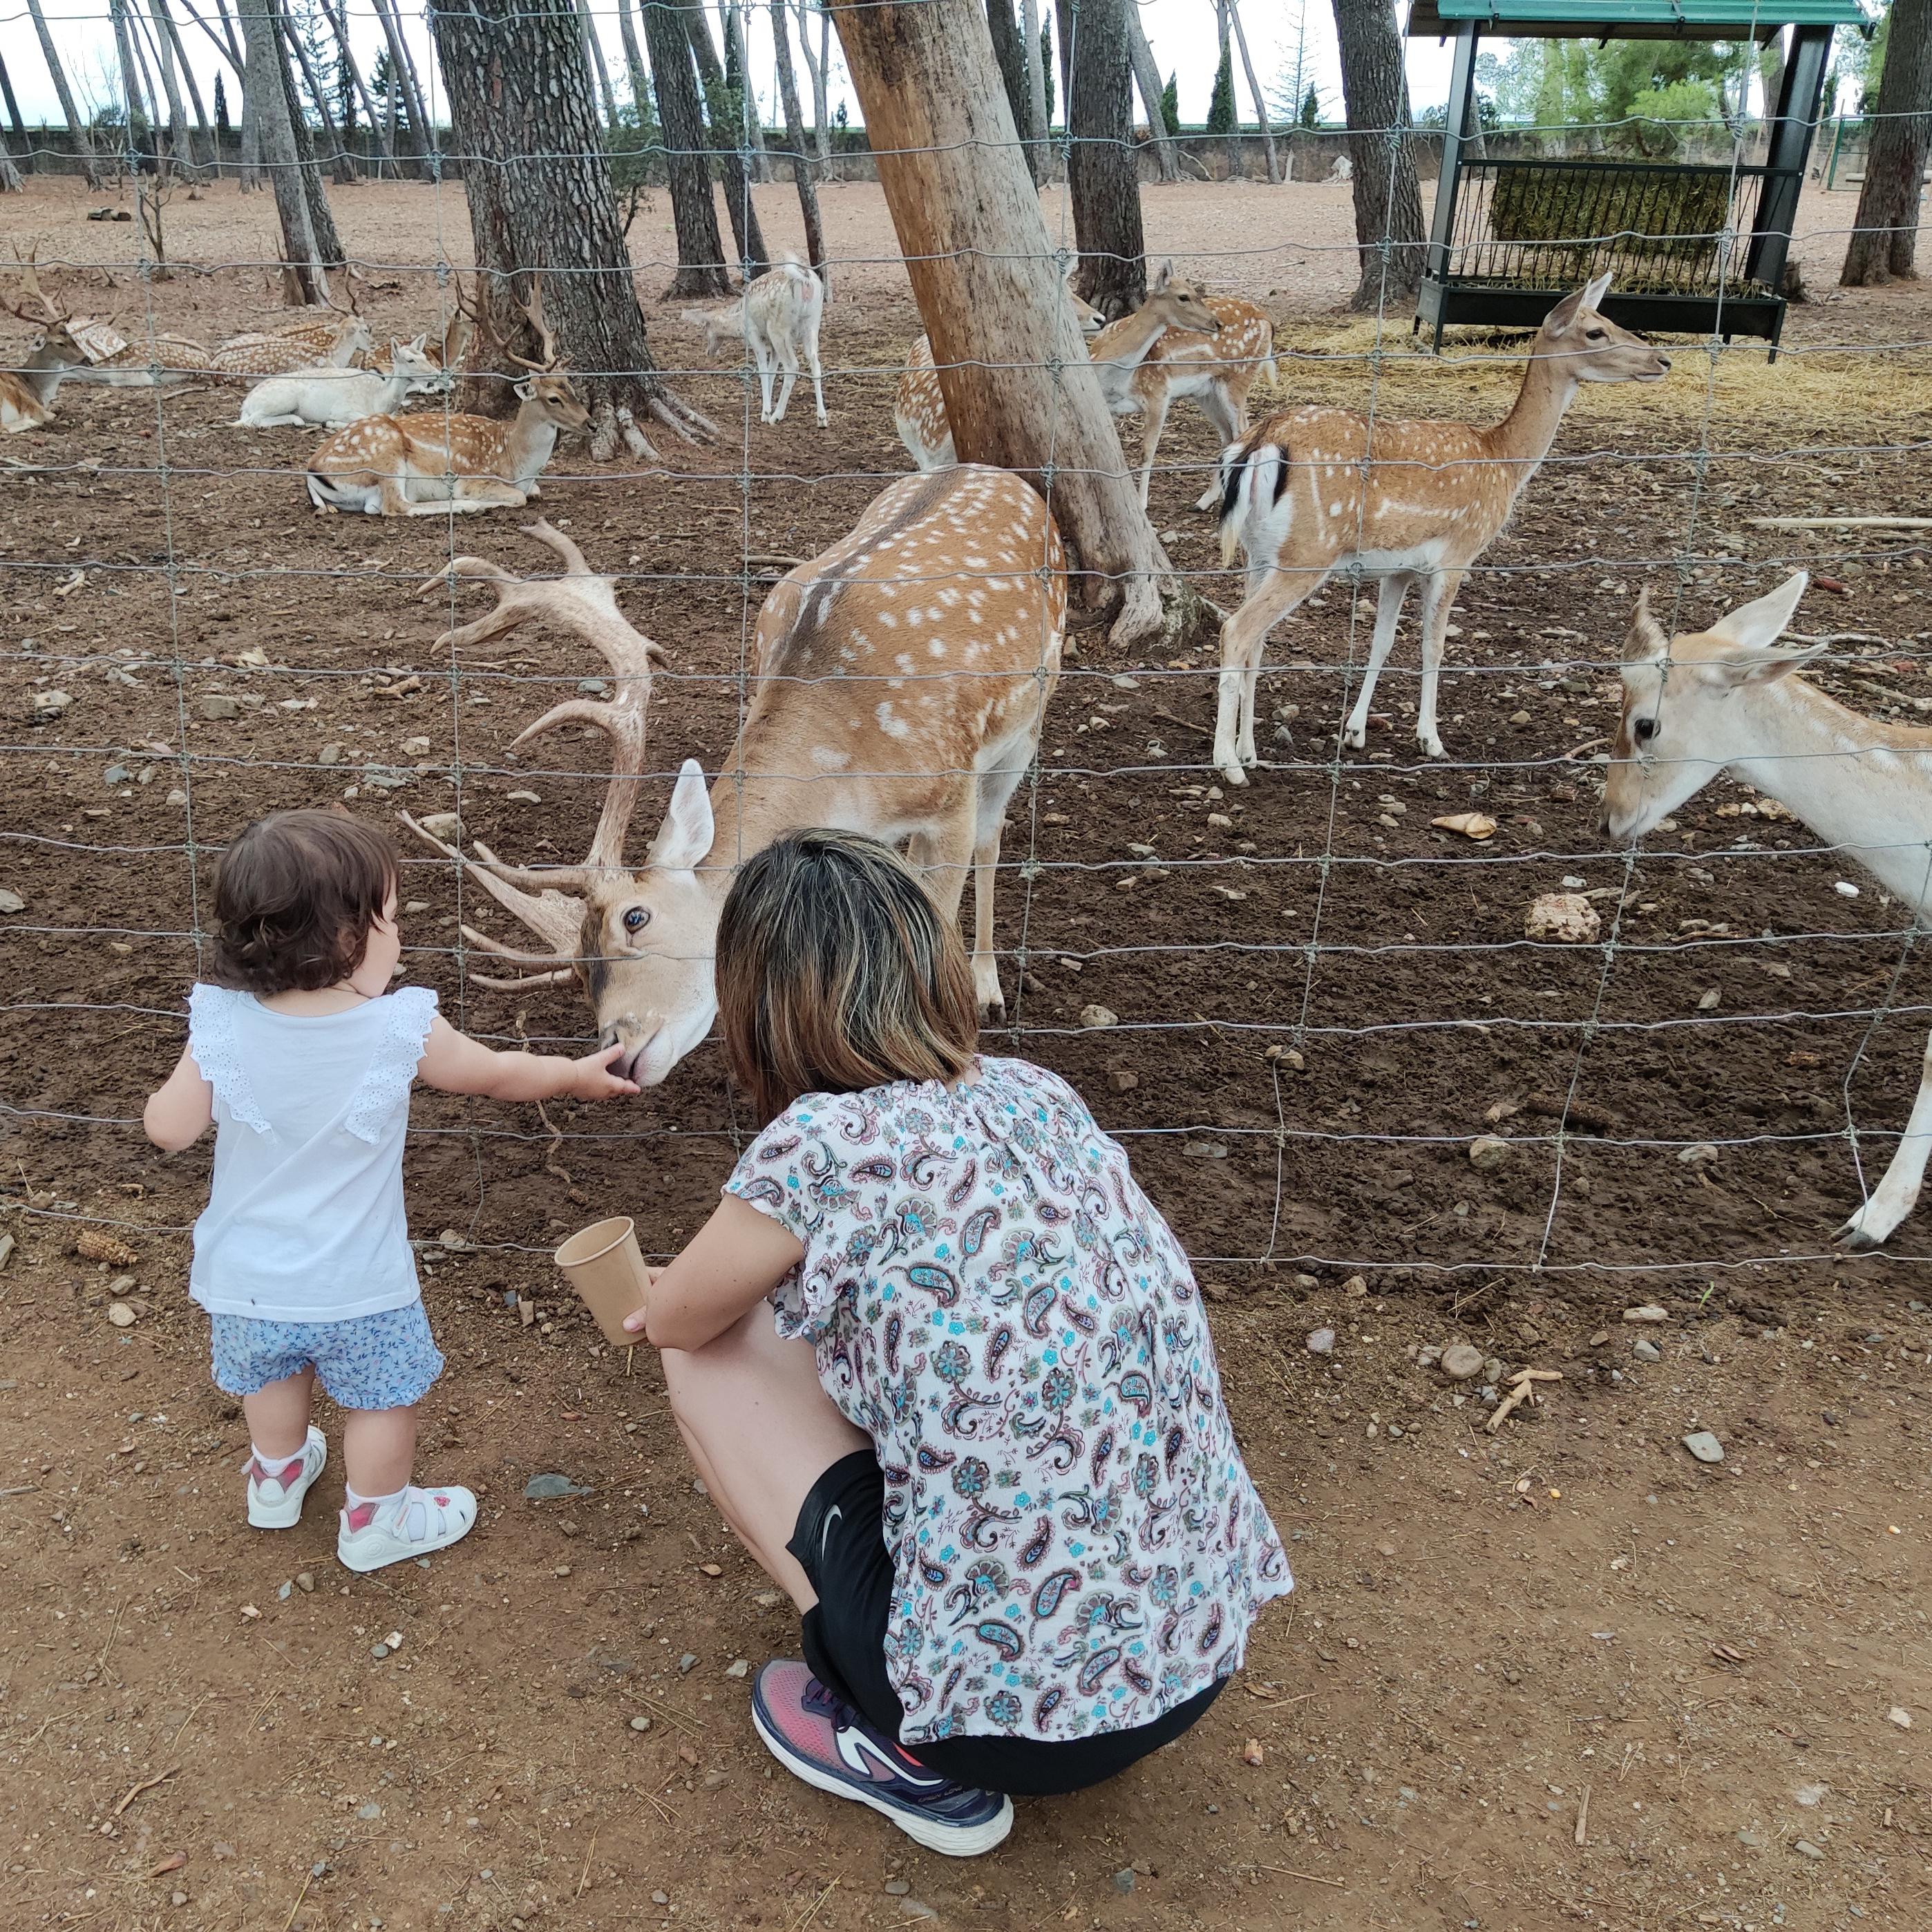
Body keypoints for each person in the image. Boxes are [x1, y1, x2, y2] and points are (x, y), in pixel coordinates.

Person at [624, 830, 1290, 1857]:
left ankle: (892, 1737)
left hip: (1000, 1739)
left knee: (707, 1356)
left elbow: (673, 1320)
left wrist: (682, 1297)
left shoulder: (815, 1147)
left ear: (760, 1002)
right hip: (1193, 1659)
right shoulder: (1037, 1093)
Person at [144, 808, 637, 1572]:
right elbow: (500, 1074)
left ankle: (274, 1481)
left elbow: (169, 1130)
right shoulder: (401, 1027)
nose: (400, 936)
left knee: (272, 1377)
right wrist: (574, 1075)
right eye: (393, 918)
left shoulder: (219, 1022)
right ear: (346, 938)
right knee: (380, 1399)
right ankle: (377, 1520)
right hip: (361, 1283)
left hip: (248, 1280)